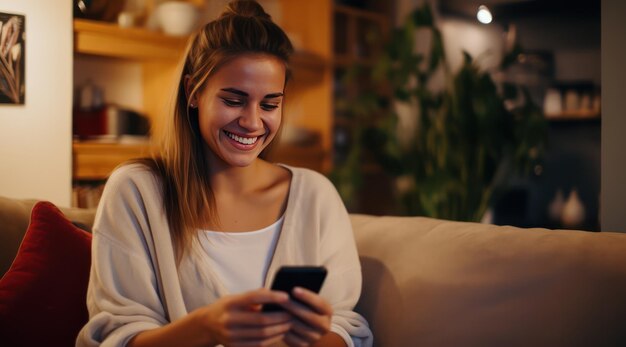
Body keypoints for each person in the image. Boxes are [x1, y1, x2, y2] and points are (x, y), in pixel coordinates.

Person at [76, 1, 372, 346]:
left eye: (270, 104)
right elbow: (114, 337)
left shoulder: (316, 195)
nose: (252, 122)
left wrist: (318, 334)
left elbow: (345, 325)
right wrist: (206, 328)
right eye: (233, 100)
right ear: (194, 92)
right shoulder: (136, 192)